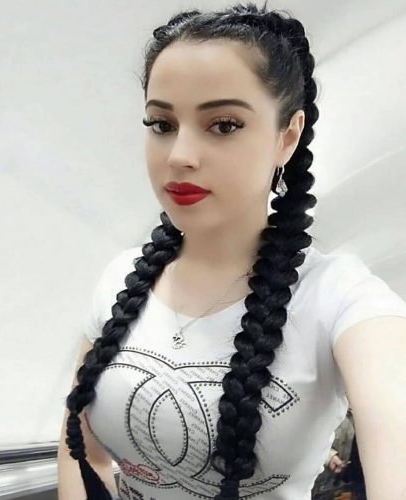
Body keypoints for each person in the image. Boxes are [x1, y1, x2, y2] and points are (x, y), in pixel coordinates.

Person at [56, 1, 406, 499]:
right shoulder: (119, 278)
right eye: (162, 124)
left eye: (223, 125)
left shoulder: (340, 299)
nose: (180, 156)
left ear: (287, 136)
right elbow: (84, 454)